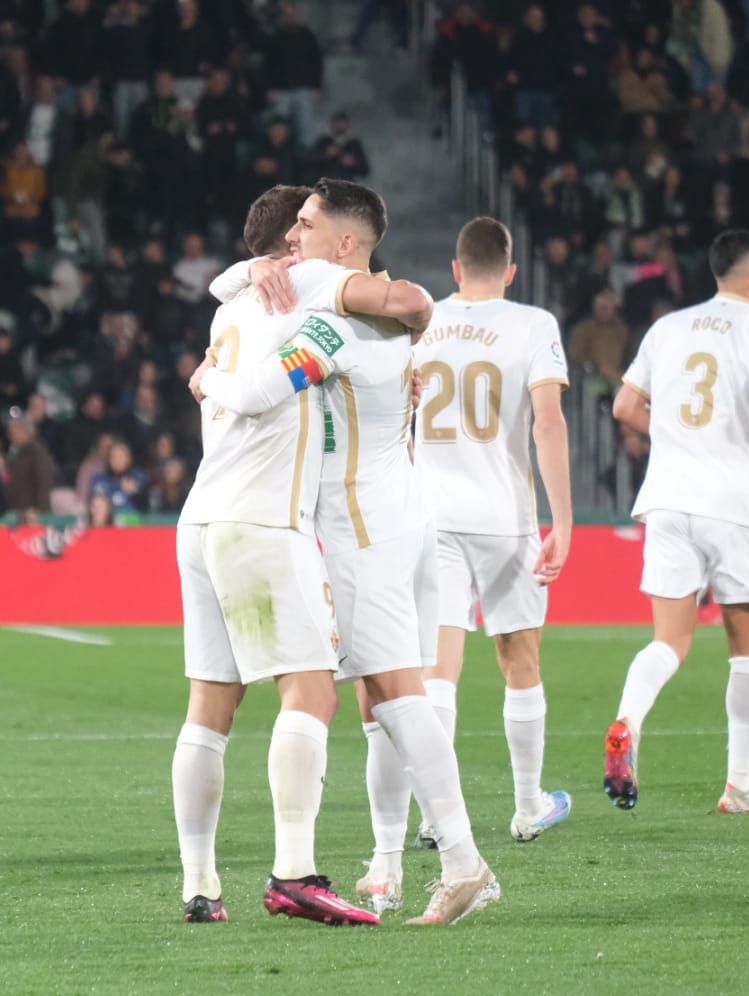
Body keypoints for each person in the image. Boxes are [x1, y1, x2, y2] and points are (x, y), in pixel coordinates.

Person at [197, 179, 497, 926]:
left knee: (395, 688)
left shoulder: (340, 329)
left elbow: (269, 387)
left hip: (364, 526)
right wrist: (251, 273)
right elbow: (240, 280)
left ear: (343, 246)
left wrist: (211, 381)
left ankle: (461, 863)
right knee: (384, 695)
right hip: (383, 516)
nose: (290, 239)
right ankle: (402, 863)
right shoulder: (352, 311)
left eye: (305, 225)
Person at [166, 184, 421, 927]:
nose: (312, 238)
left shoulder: (226, 309)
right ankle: (294, 873)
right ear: (292, 251)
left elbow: (229, 312)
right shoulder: (311, 314)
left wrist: (210, 365)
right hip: (261, 522)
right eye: (305, 229)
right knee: (313, 694)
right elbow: (260, 392)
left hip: (200, 521)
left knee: (209, 710)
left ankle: (199, 884)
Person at [605, 230, 749, 815]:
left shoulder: (669, 328)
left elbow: (625, 407)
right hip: (733, 505)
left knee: (670, 640)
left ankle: (627, 723)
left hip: (666, 498)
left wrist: (679, 437)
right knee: (747, 649)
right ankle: (740, 785)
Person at [405, 216, 574, 859]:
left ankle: (433, 814)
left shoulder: (420, 322)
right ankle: (528, 806)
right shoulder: (533, 325)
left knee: (435, 671)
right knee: (519, 660)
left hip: (430, 516)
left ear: (454, 270)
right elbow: (549, 425)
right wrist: (564, 519)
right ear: (510, 271)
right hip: (505, 519)